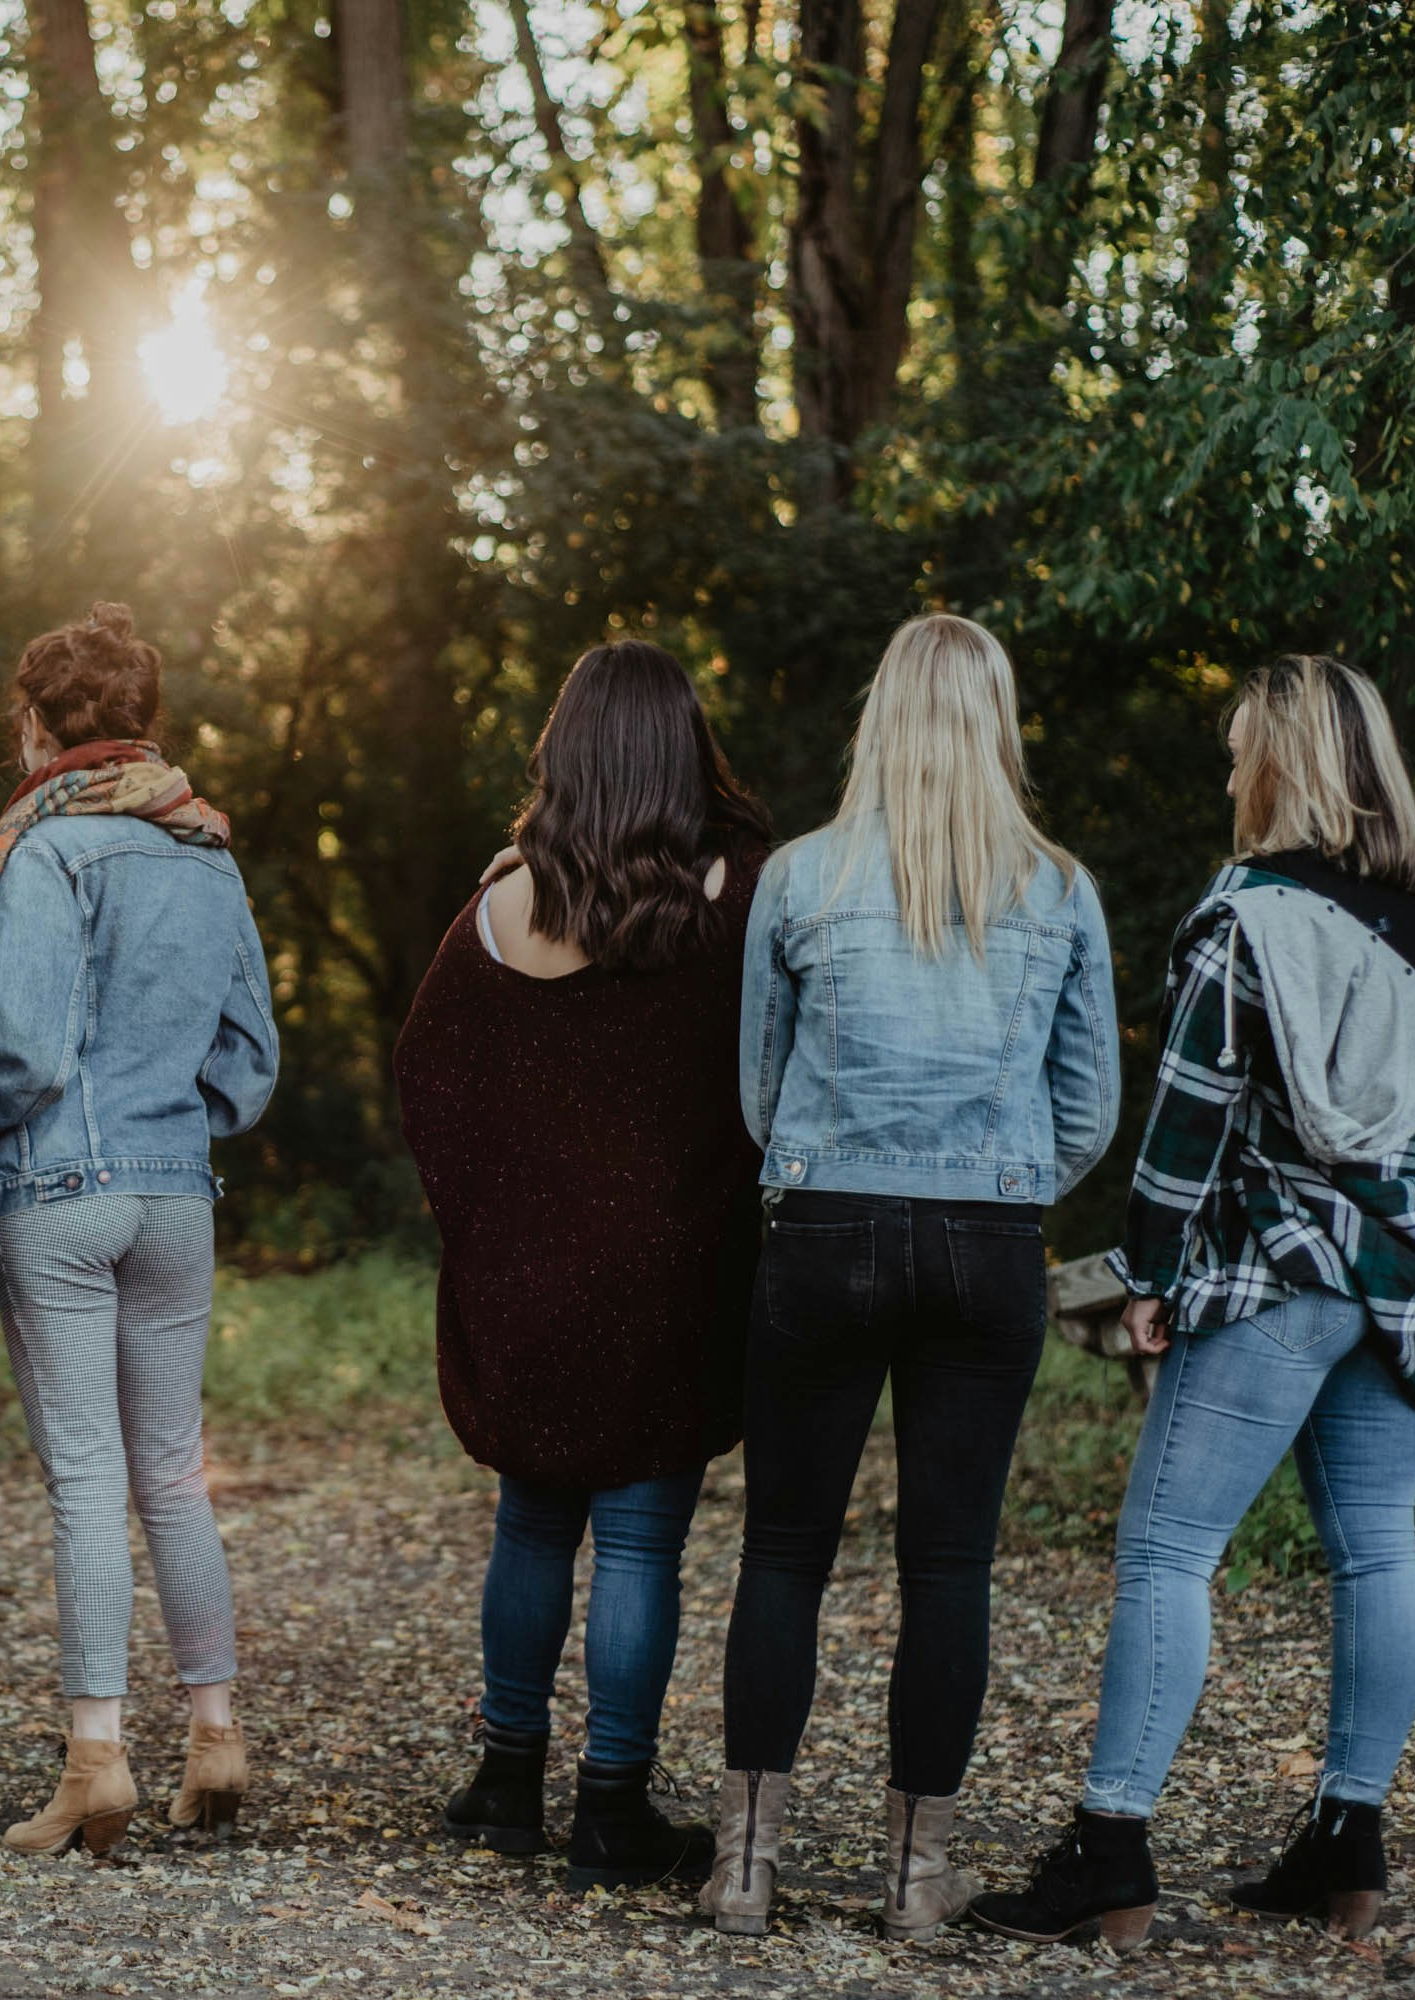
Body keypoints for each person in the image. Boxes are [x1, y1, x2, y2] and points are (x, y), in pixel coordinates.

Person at [973, 655, 1415, 1950]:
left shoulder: (1246, 917)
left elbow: (1192, 1118)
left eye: (1235, 748)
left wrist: (1153, 1273)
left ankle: (1109, 1853)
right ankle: (1348, 1844)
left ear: (1283, 761)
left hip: (1277, 1276)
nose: (1224, 770)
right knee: (1378, 1547)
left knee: (1167, 1550)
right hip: (1407, 1288)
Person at [708, 613, 1119, 1939]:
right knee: (950, 1567)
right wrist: (1002, 1186)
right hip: (986, 1243)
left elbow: (759, 1090)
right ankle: (915, 1881)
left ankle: (747, 1868)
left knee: (782, 1552)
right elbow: (1089, 1108)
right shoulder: (1057, 888)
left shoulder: (802, 878)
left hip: (823, 1229)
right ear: (994, 722)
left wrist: (833, 1165)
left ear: (880, 716)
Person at [396, 641, 772, 1893]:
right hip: (668, 1275)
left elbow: (426, 1080)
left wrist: (491, 1225)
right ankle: (610, 1804)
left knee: (529, 1521)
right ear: (681, 755)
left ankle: (507, 1777)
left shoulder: (499, 904)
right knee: (640, 1547)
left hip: (529, 1278)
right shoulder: (739, 894)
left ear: (563, 753)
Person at [0, 603, 278, 1856]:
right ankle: (214, 1732)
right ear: (142, 724)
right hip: (173, 1189)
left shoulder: (42, 849)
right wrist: (166, 1120)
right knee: (173, 1469)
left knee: (88, 1478)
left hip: (61, 1186)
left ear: (37, 726)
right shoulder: (205, 851)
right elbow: (248, 1065)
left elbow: (25, 1046)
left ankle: (97, 1757)